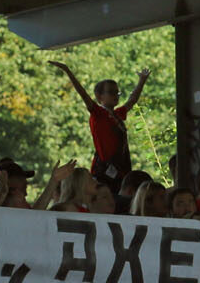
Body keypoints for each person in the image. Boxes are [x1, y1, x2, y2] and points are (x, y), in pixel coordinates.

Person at [51, 59, 149, 187]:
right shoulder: (98, 114)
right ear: (99, 96)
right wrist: (68, 71)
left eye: (117, 92)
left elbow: (132, 100)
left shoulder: (117, 114)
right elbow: (83, 94)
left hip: (121, 169)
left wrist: (142, 81)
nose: (116, 95)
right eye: (111, 92)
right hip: (104, 171)